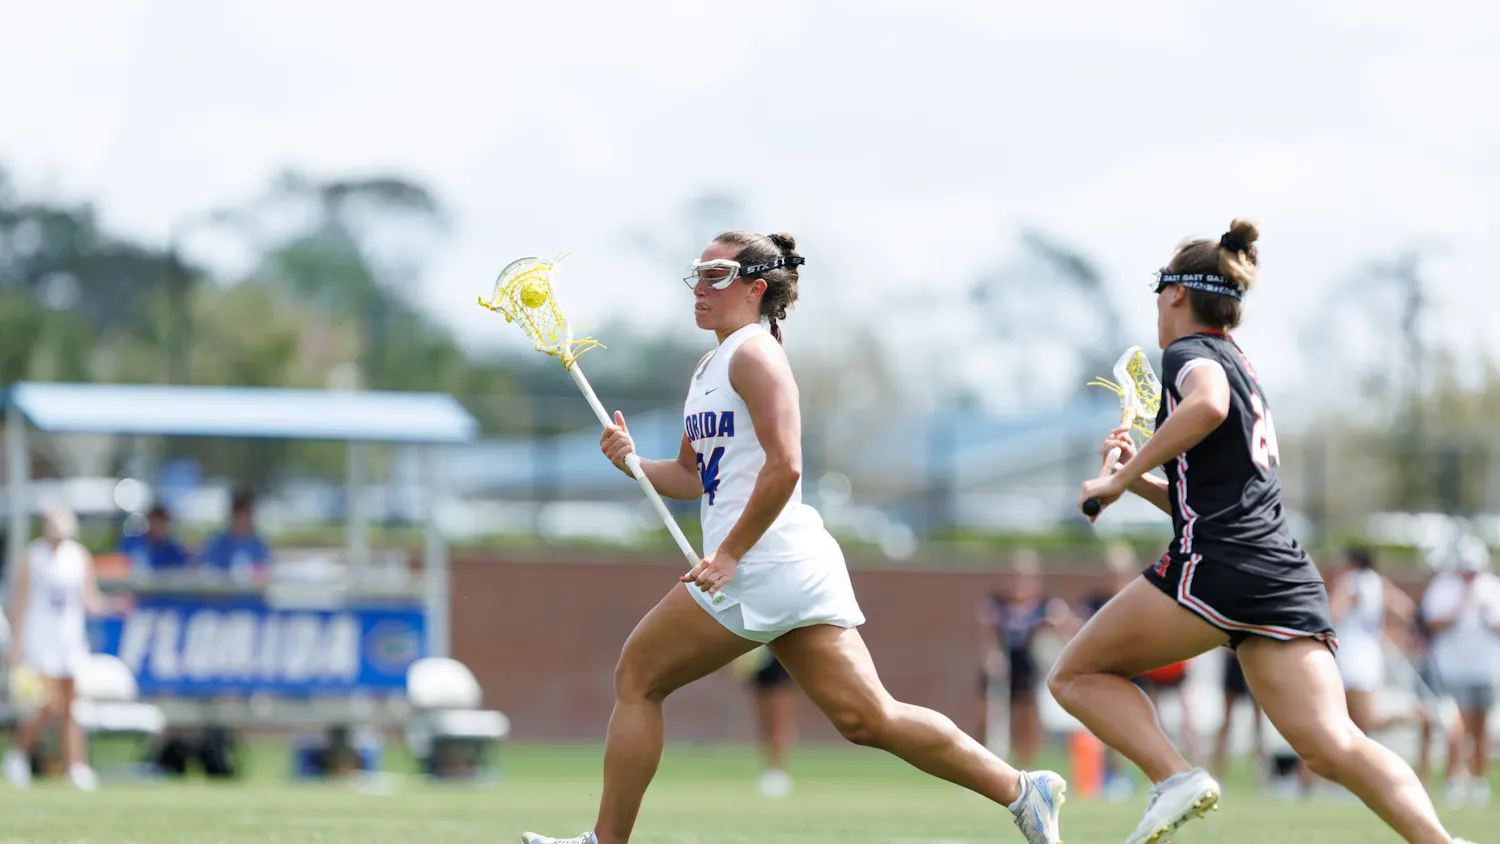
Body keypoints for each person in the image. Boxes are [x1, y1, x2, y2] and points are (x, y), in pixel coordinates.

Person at [522, 231, 1066, 844]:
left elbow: (787, 466)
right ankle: (1023, 789)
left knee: (638, 677)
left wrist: (728, 554)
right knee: (868, 717)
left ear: (757, 289)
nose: (699, 287)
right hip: (784, 567)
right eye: (696, 275)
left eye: (717, 275)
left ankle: (605, 842)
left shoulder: (755, 356)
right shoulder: (711, 365)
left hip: (762, 565)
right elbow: (691, 476)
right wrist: (632, 464)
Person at [1049, 219, 1468, 844]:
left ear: (1173, 295)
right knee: (1334, 746)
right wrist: (1131, 481)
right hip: (1280, 573)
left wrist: (1122, 473)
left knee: (1075, 676)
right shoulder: (1240, 361)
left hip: (1219, 566)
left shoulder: (1189, 356)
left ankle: (1174, 778)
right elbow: (1209, 498)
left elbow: (1207, 405)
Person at [3, 506, 122, 791]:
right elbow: (19, 603)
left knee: (71, 705)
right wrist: (16, 648)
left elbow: (89, 598)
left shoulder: (78, 556)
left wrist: (113, 606)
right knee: (44, 703)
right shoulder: (33, 557)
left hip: (69, 639)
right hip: (39, 639)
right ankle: (19, 755)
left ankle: (75, 765)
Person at [1420, 534, 1500, 808]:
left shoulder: (1492, 587)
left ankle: (1478, 779)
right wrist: (1460, 607)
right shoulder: (1443, 587)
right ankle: (1454, 779)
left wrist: (1488, 616)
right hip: (1452, 668)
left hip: (1487, 667)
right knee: (1457, 724)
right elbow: (1433, 623)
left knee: (1481, 726)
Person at [977, 549, 1074, 769]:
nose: (1019, 582)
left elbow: (1070, 628)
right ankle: (981, 767)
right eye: (1015, 576)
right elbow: (987, 636)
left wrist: (1060, 622)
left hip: (1027, 667)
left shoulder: (1046, 605)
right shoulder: (997, 603)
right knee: (986, 720)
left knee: (1026, 722)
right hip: (1001, 666)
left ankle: (1024, 770)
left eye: (1025, 577)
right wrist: (992, 655)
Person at [1328, 546, 1418, 735]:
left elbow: (1333, 614)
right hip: (1370, 656)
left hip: (1350, 657)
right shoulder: (1378, 582)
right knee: (1353, 726)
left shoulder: (1350, 582)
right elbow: (1407, 609)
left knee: (1359, 722)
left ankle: (1417, 716)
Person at [735, 646, 797, 798]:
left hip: (780, 661)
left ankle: (778, 770)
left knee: (779, 720)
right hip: (759, 660)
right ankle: (770, 769)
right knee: (763, 723)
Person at [200, 489, 272, 583]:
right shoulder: (216, 546)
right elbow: (209, 580)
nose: (242, 518)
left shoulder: (260, 546)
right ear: (231, 514)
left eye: (246, 513)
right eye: (238, 513)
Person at [119, 504, 192, 576]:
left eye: (161, 522)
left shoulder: (172, 550)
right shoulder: (133, 542)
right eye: (154, 520)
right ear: (149, 521)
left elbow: (179, 572)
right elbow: (120, 564)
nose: (157, 525)